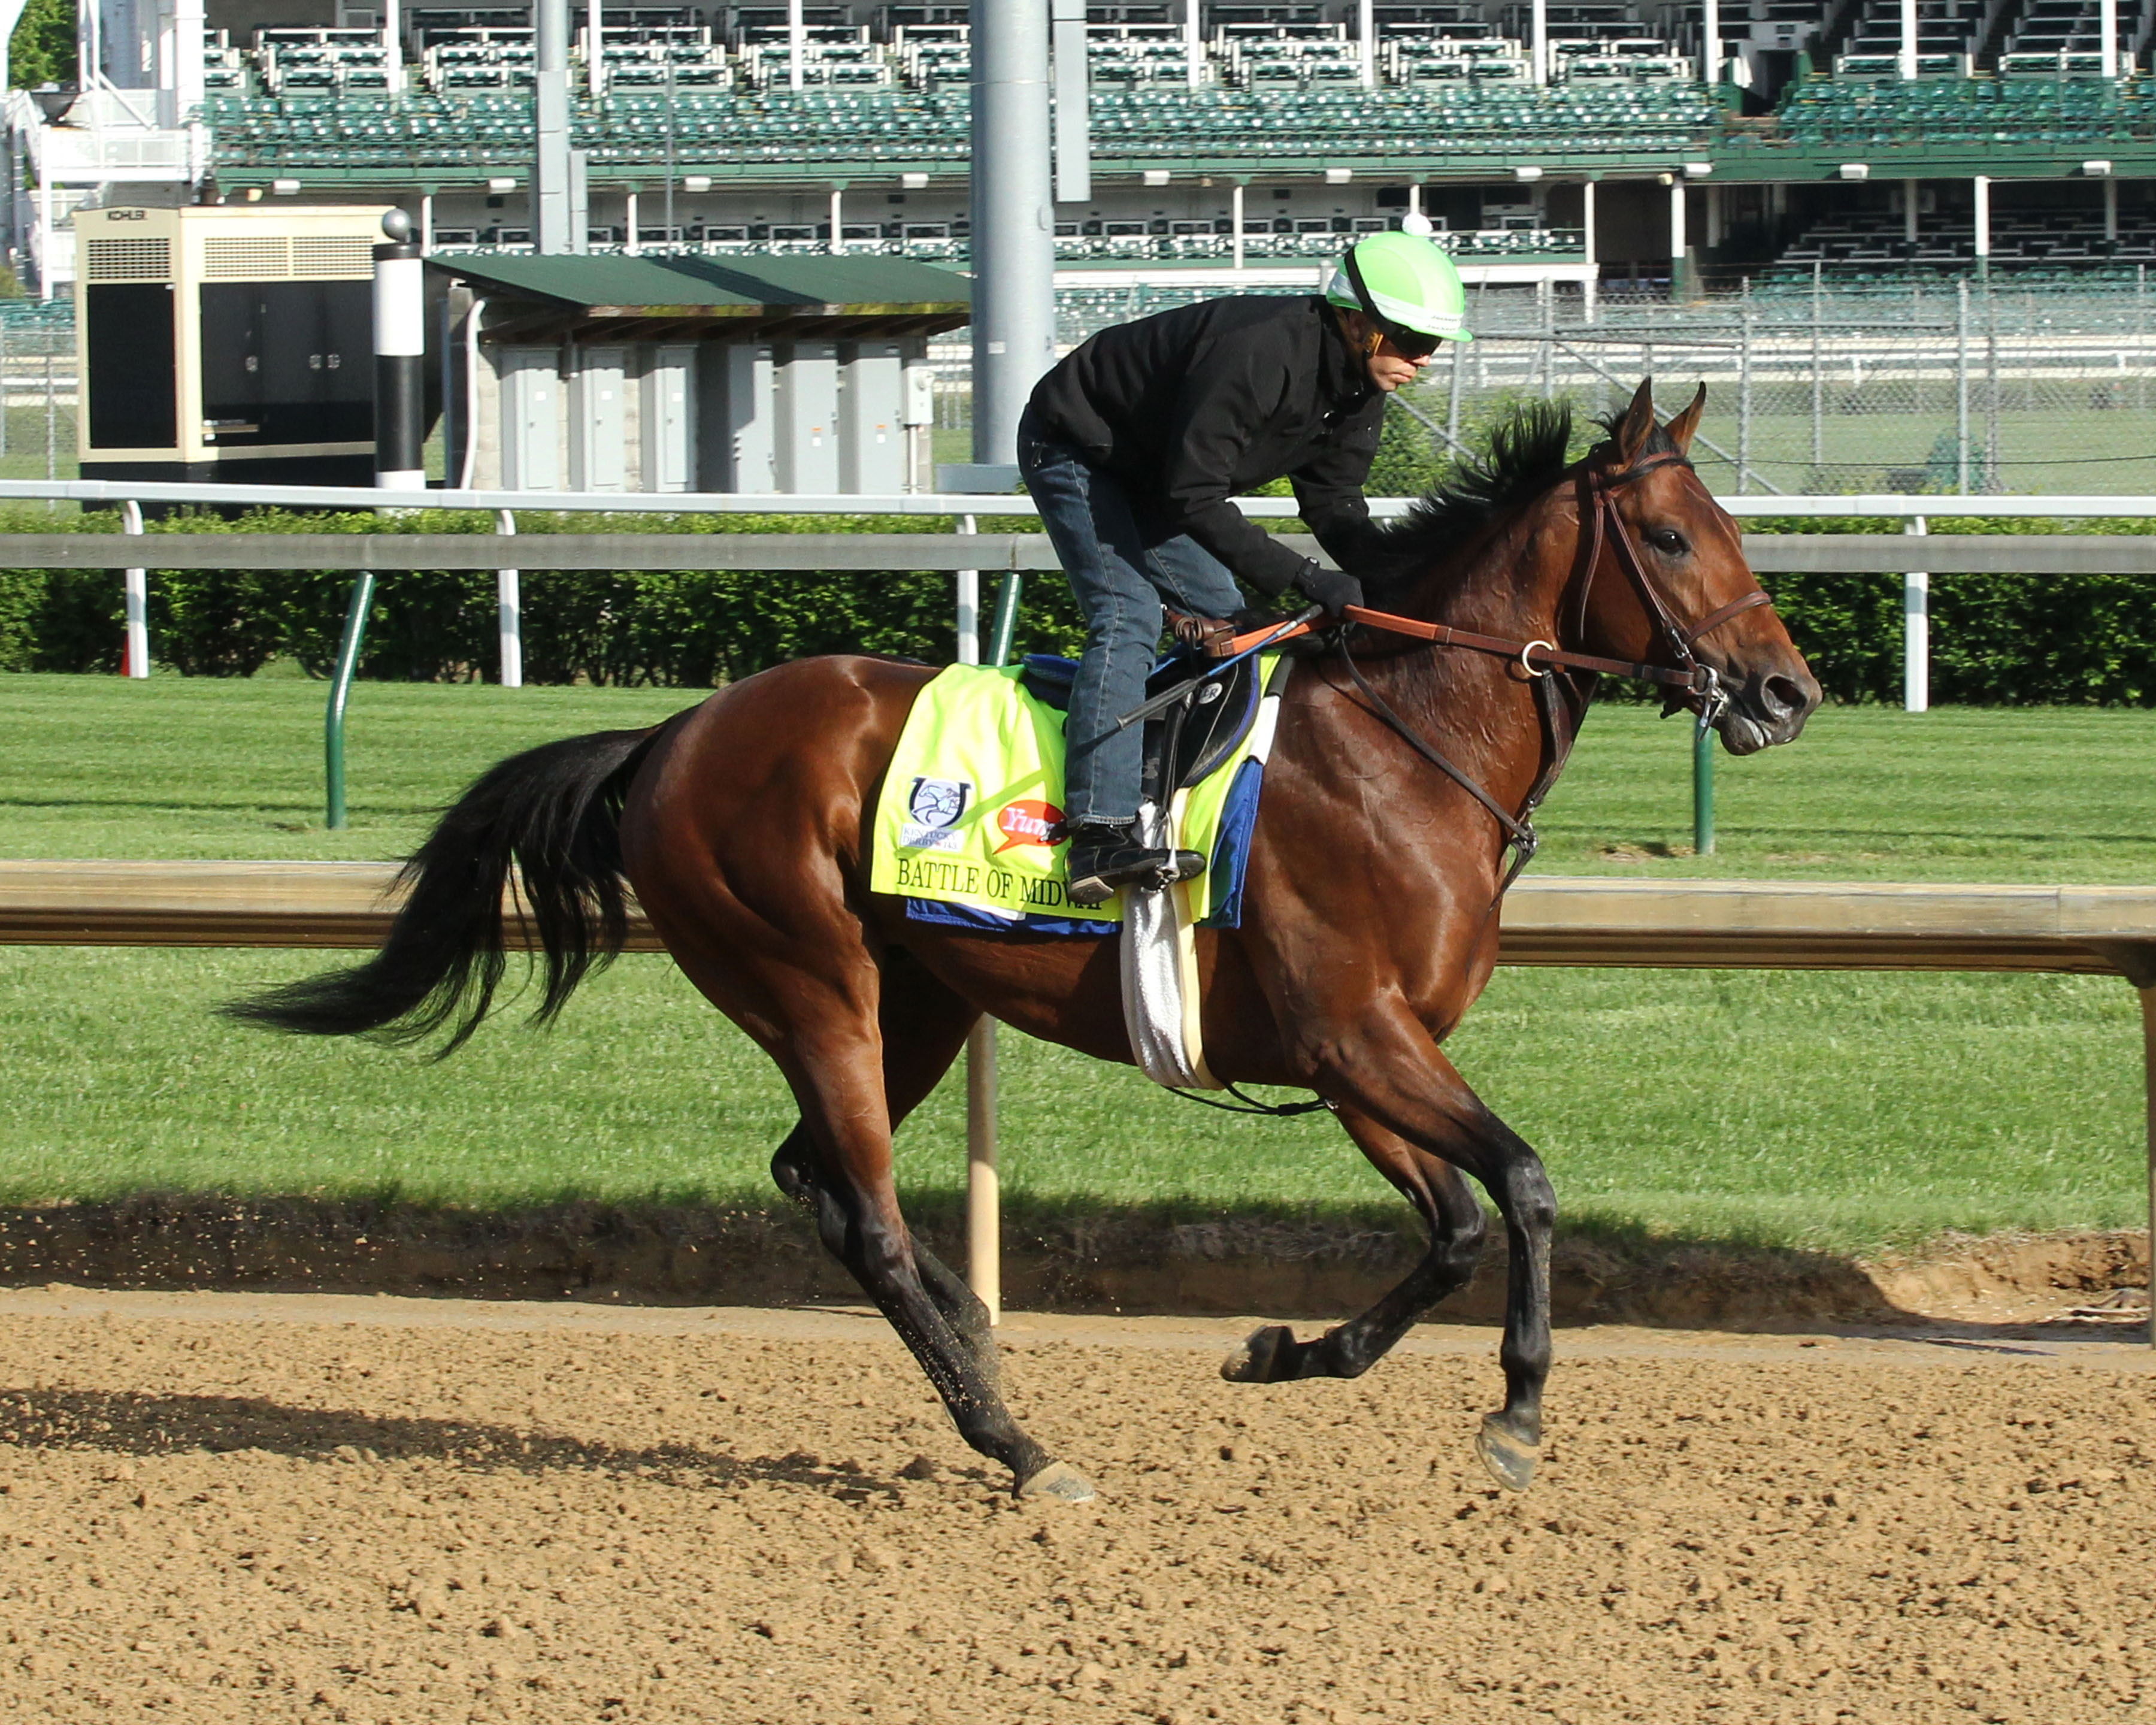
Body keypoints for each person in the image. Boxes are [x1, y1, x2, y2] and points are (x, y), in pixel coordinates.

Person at [1017, 228, 1475, 907]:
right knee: (1130, 612)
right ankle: (1098, 834)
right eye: (1410, 341)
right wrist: (1304, 578)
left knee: (1232, 622)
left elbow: (1336, 507)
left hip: (1154, 474)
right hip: (1079, 447)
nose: (1423, 361)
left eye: (1432, 347)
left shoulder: (1359, 391)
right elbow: (1191, 496)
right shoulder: (1262, 352)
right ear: (1357, 323)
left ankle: (1166, 787)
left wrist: (1395, 586)